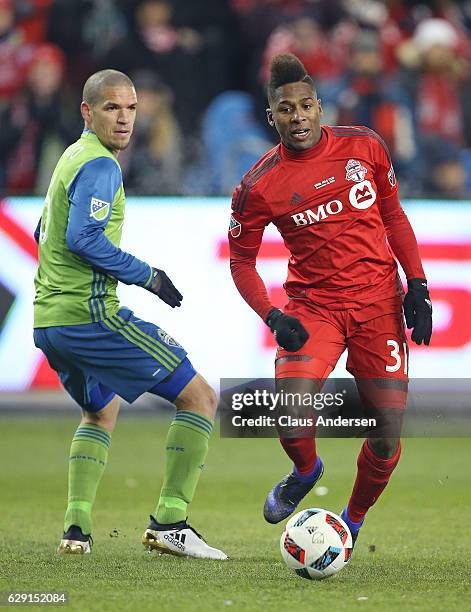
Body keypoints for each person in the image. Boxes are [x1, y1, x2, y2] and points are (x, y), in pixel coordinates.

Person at [228, 54, 432, 549]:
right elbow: (241, 263)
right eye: (285, 109)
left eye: (305, 105)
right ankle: (305, 470)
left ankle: (351, 522)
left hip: (378, 303)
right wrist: (273, 316)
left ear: (320, 106)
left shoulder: (365, 146)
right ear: (270, 116)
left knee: (386, 437)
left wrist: (418, 285)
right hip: (313, 306)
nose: (297, 117)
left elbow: (393, 215)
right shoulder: (258, 186)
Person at [33, 69, 227, 560]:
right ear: (87, 111)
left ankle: (75, 532)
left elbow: (43, 229)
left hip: (50, 322)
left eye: (131, 109)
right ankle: (171, 521)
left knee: (100, 409)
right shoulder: (101, 166)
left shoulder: (70, 158)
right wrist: (150, 276)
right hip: (89, 316)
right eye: (111, 108)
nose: (124, 119)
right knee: (201, 398)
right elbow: (83, 238)